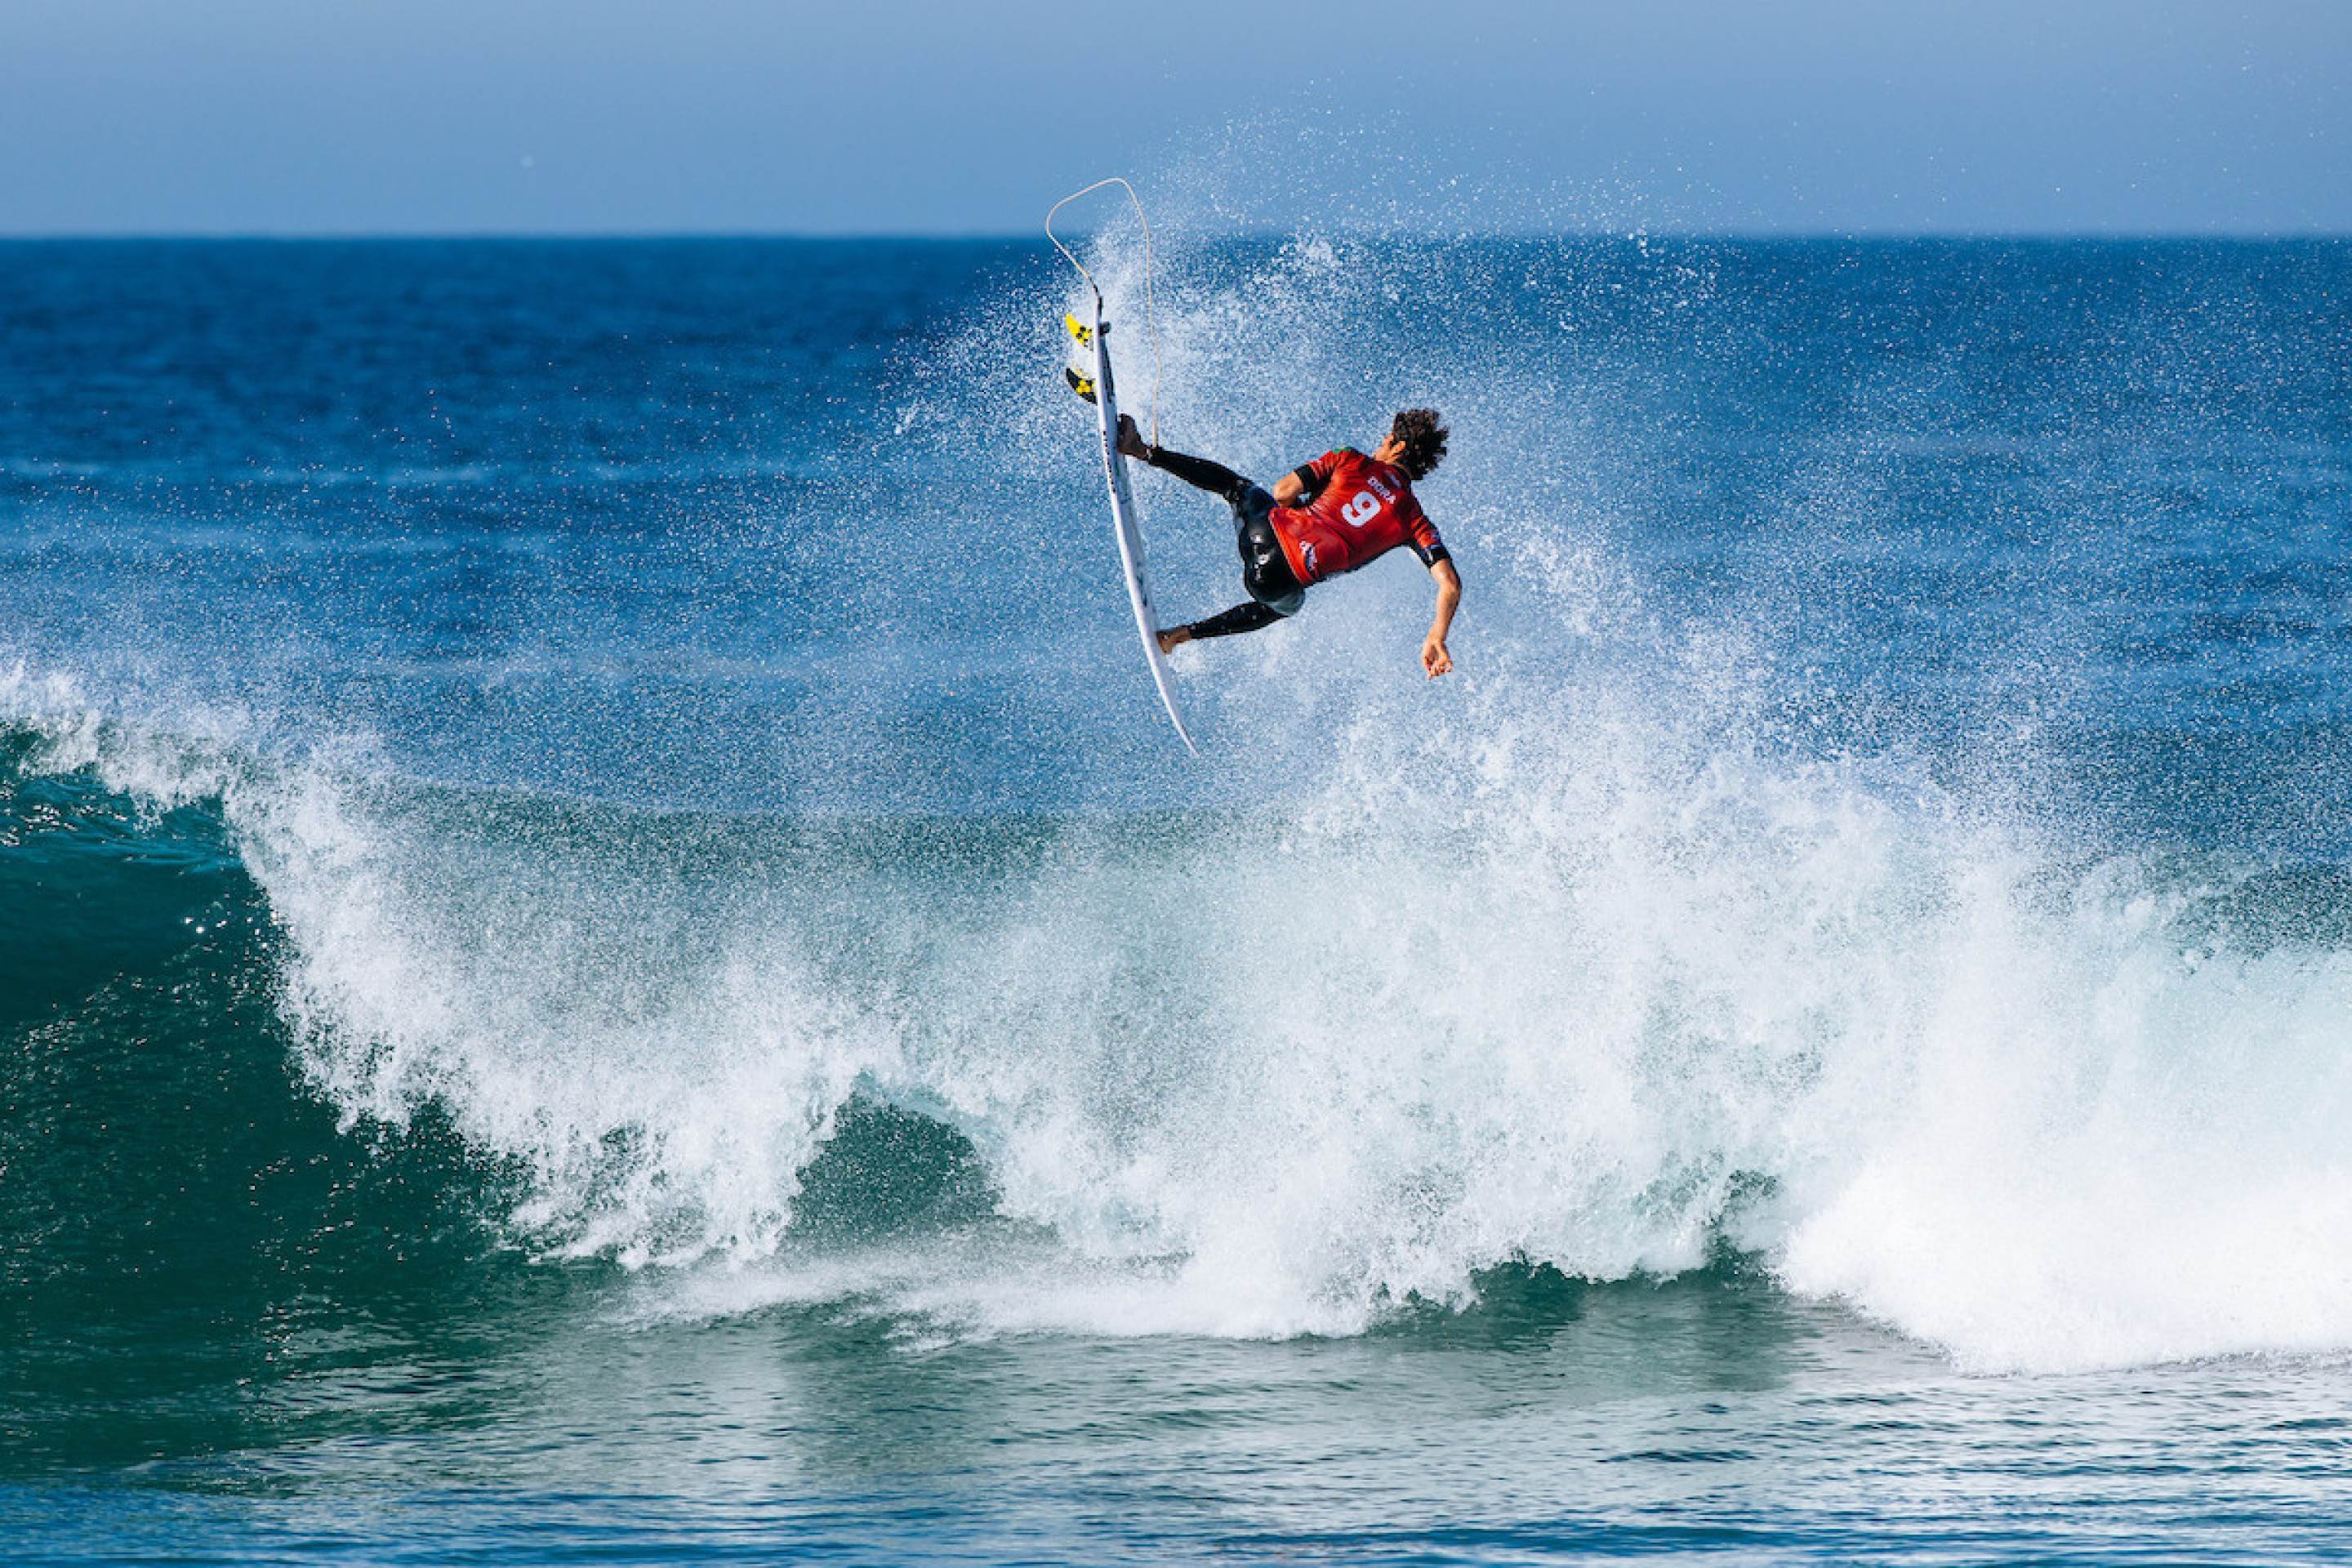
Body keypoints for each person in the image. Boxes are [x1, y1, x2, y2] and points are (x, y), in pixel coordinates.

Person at [1116, 408, 1462, 679]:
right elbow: (1450, 585)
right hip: (1274, 586)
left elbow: (1282, 492)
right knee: (1288, 607)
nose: (1378, 446)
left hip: (1261, 535)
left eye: (1385, 440)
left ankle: (1141, 450)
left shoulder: (1351, 458)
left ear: (1397, 447)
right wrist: (1437, 636)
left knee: (1237, 488)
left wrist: (1302, 511)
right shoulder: (1415, 521)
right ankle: (1179, 636)